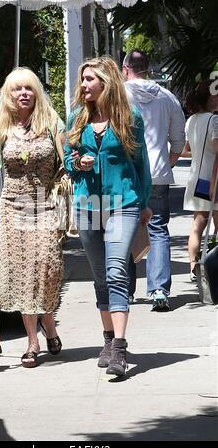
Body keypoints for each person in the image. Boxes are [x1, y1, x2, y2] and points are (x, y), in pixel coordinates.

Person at [64, 56, 152, 377]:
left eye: (90, 79)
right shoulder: (75, 119)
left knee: (117, 271)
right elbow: (67, 161)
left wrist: (144, 202)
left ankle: (119, 348)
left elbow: (141, 164)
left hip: (123, 204)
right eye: (83, 79)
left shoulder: (130, 117)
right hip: (88, 206)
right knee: (100, 276)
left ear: (106, 82)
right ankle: (107, 338)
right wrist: (79, 164)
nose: (84, 85)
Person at [0, 67, 64, 368]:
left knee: (47, 265)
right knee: (23, 271)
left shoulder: (51, 122)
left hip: (44, 205)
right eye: (17, 89)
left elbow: (68, 160)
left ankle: (50, 325)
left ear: (36, 92)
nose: (23, 93)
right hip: (14, 206)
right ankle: (32, 342)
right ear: (8, 94)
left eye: (28, 88)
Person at [123, 49, 185, 311]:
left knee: (122, 229)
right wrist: (165, 163)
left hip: (125, 174)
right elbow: (179, 141)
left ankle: (123, 290)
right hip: (157, 173)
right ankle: (159, 289)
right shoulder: (167, 97)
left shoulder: (117, 95)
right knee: (158, 228)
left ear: (125, 68)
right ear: (148, 68)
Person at [181, 80, 218, 280]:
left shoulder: (191, 120)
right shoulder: (214, 121)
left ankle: (193, 267)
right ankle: (213, 267)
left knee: (198, 225)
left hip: (196, 179)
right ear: (210, 98)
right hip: (213, 179)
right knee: (217, 227)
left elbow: (186, 151)